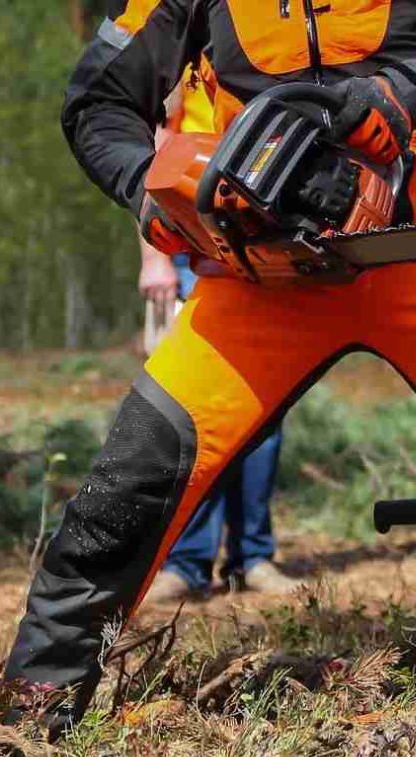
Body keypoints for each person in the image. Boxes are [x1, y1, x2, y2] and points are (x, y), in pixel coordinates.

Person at [2, 0, 416, 733]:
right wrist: (152, 192)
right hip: (259, 269)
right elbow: (99, 99)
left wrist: (403, 93)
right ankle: (28, 718)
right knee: (127, 489)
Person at [134, 70, 292, 603]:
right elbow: (157, 150)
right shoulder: (187, 38)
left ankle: (253, 557)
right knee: (195, 411)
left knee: (265, 413)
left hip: (268, 242)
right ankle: (187, 561)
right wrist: (155, 260)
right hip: (194, 250)